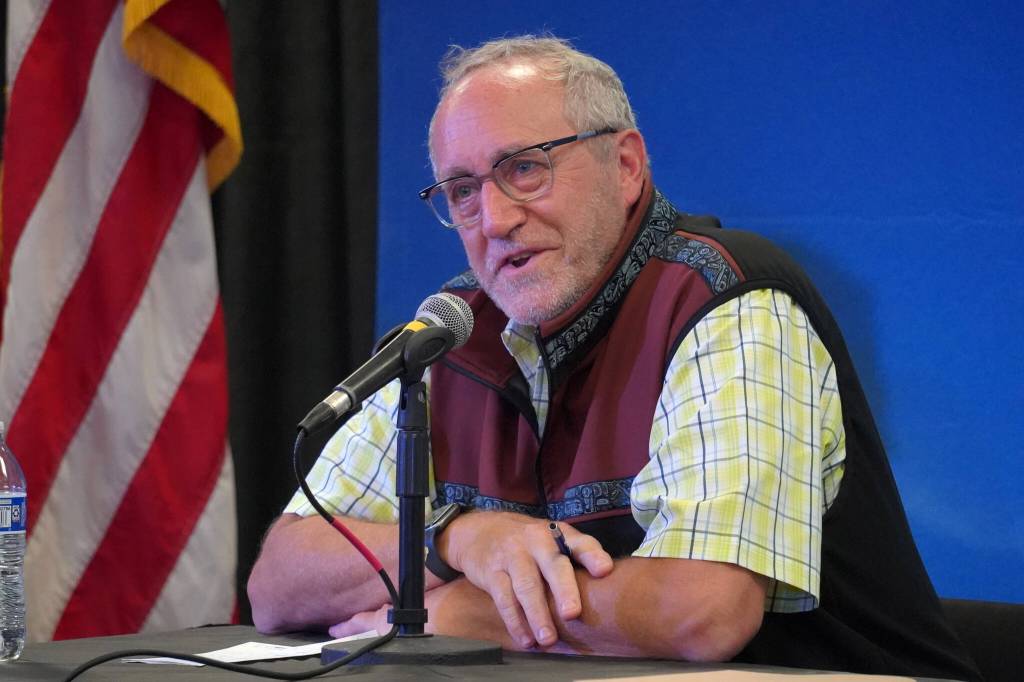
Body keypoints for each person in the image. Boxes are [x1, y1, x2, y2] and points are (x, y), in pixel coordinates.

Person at [248, 35, 980, 679]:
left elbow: (705, 610)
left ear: (626, 165)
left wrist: (448, 614)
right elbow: (278, 583)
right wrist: (456, 541)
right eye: (463, 191)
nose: (495, 219)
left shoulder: (726, 299)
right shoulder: (451, 332)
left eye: (526, 169)